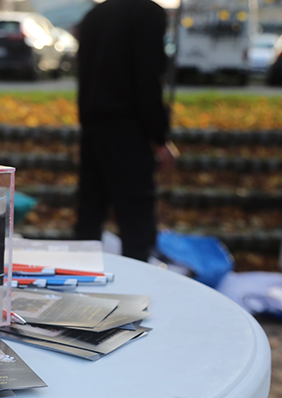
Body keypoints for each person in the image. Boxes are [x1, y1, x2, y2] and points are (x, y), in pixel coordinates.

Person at [74, 0, 179, 261]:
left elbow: (84, 76)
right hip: (128, 129)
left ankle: (79, 272)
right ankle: (138, 278)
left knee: (89, 213)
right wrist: (159, 137)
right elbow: (148, 79)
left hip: (93, 127)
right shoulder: (147, 14)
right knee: (136, 218)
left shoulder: (94, 16)